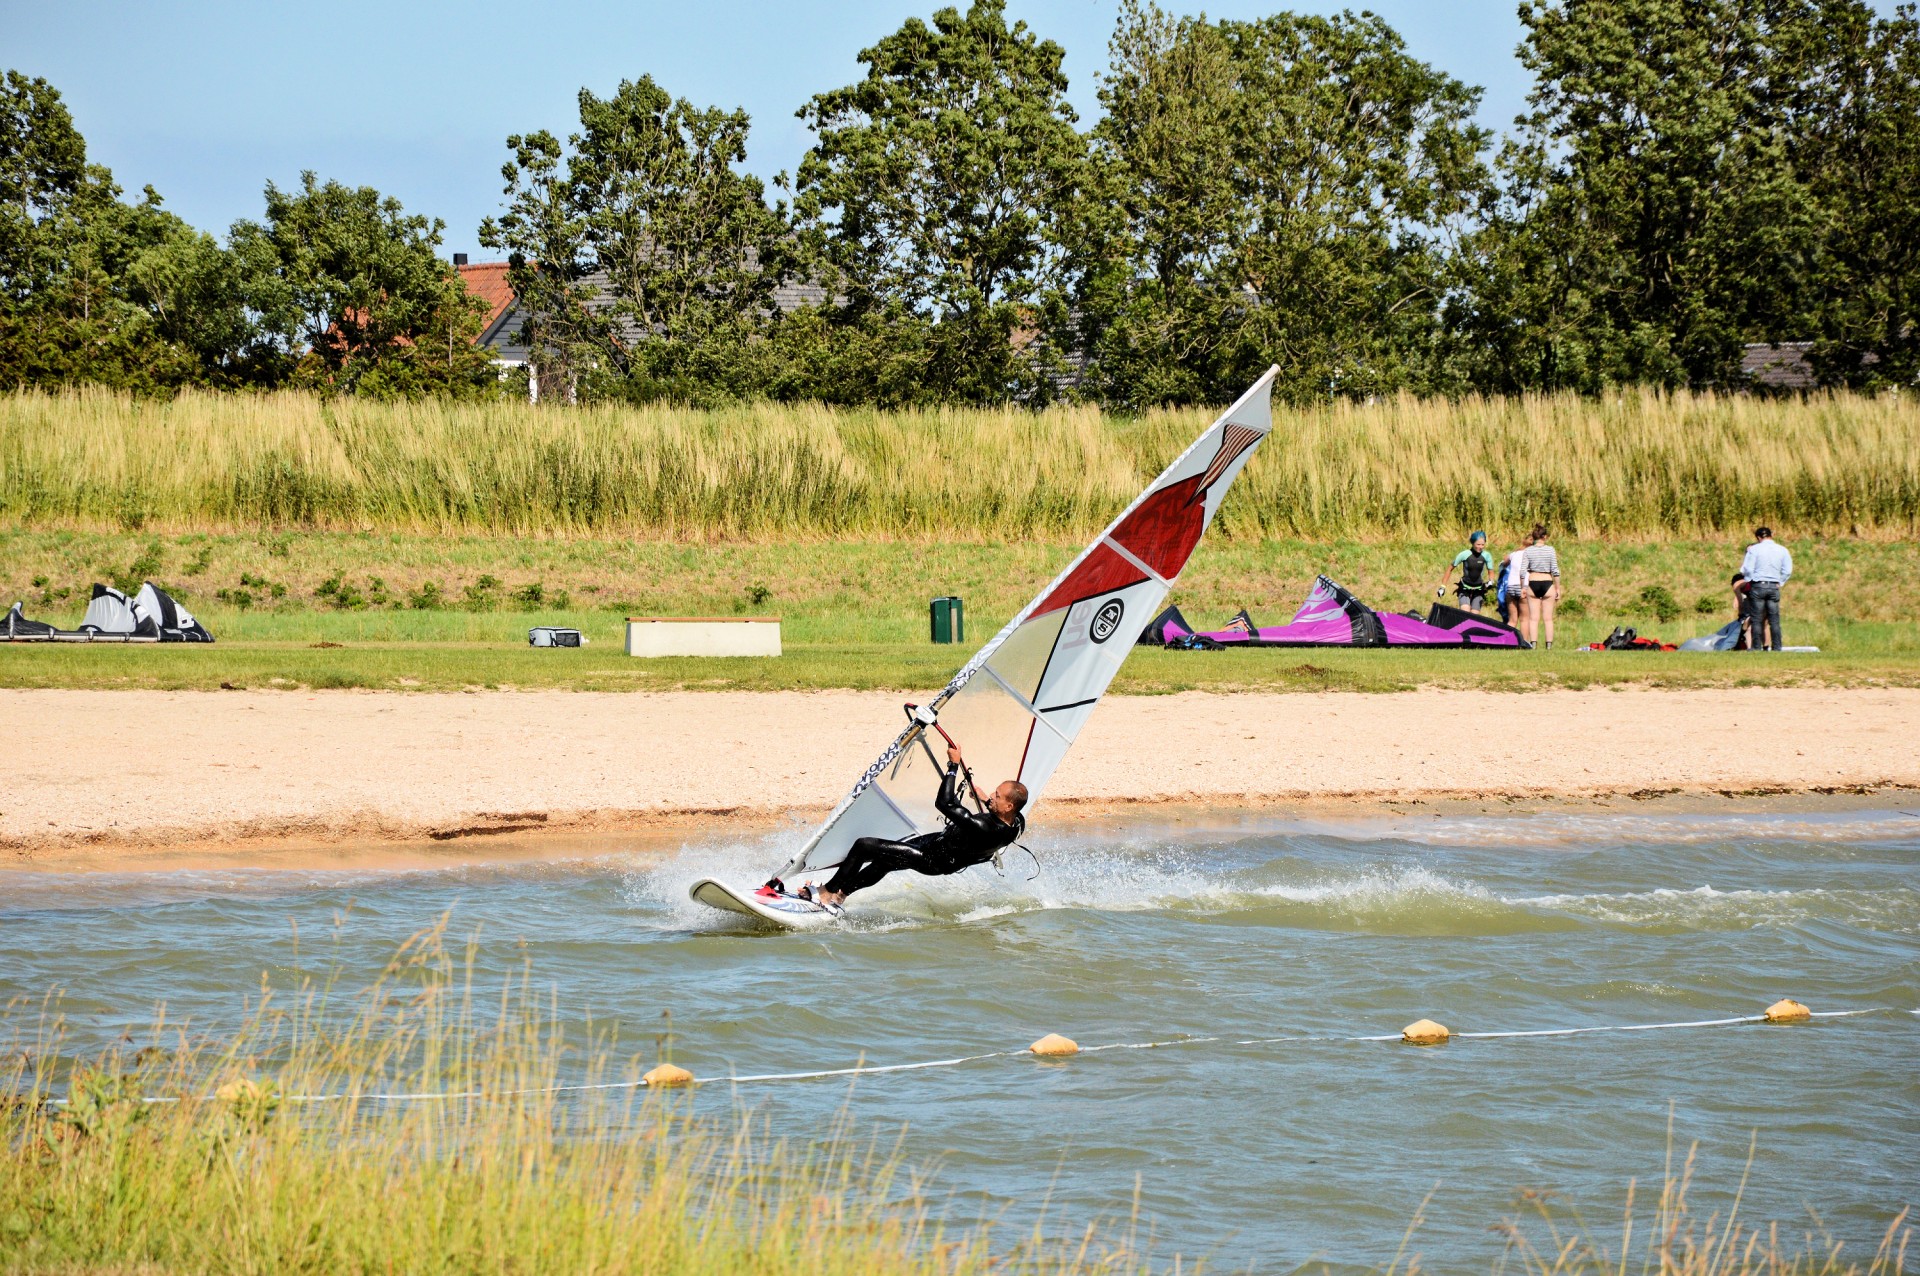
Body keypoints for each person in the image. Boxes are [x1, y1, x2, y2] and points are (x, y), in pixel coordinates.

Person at [808, 742, 1027, 908]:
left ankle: (827, 892)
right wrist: (987, 801)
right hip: (938, 845)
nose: (991, 796)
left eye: (996, 796)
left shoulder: (982, 827)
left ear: (1008, 806)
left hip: (932, 860)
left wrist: (953, 766)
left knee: (864, 845)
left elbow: (946, 803)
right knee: (884, 862)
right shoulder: (1016, 823)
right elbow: (998, 816)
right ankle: (842, 894)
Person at [1740, 526, 1793, 651]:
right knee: (1774, 620)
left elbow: (1747, 568)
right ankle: (1777, 647)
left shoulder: (1754, 549)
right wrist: (1780, 582)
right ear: (1771, 535)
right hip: (1773, 586)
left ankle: (1756, 647)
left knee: (1757, 619)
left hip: (1758, 585)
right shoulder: (1782, 550)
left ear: (1758, 537)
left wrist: (1749, 579)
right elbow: (1787, 570)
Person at [1521, 524, 1562, 649]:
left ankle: (1533, 645)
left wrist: (1523, 587)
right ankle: (1548, 646)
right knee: (1548, 619)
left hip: (1533, 581)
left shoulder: (1528, 551)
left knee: (1533, 618)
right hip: (1547, 581)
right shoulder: (1550, 550)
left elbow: (1523, 571)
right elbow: (1555, 570)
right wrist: (1558, 588)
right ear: (1544, 536)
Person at [1437, 531, 1497, 613]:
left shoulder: (1486, 555)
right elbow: (1449, 569)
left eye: (1483, 545)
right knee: (1465, 613)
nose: (1480, 547)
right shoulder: (1464, 554)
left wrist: (1491, 581)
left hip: (1479, 590)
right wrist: (1442, 587)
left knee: (1474, 617)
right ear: (1472, 543)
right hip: (1464, 588)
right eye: (1478, 544)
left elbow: (1491, 571)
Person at [1497, 539, 1530, 632]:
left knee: (1512, 620)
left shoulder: (1514, 554)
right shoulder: (1532, 555)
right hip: (1524, 586)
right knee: (1524, 620)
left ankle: (1507, 642)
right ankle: (1525, 644)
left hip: (1511, 586)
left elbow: (1503, 563)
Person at [1730, 572, 1754, 650]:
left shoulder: (1736, 585)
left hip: (1753, 606)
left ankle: (1748, 647)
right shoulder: (1748, 582)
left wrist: (1740, 615)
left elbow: (1739, 603)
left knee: (1746, 626)